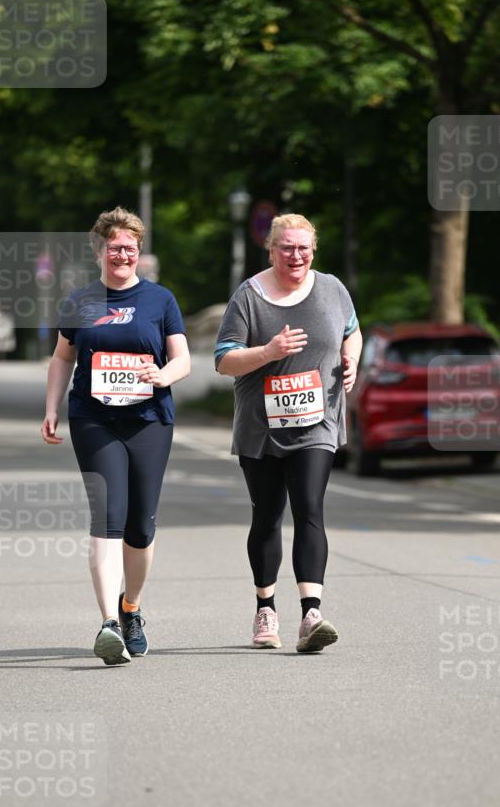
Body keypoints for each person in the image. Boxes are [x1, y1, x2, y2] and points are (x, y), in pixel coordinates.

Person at [41, 206, 190, 665]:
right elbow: (63, 357)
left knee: (140, 526)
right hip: (94, 418)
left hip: (148, 420)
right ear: (100, 252)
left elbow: (182, 358)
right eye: (114, 247)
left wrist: (163, 377)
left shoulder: (160, 300)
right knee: (107, 516)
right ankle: (108, 624)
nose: (122, 254)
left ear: (139, 252)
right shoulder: (80, 300)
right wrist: (51, 408)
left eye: (129, 247)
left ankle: (131, 608)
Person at [215, 213, 362, 652]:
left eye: (302, 248)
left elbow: (353, 332)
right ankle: (266, 609)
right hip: (262, 427)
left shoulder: (332, 290)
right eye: (286, 248)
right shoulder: (250, 296)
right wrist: (268, 351)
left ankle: (311, 613)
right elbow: (224, 359)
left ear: (312, 249)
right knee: (267, 517)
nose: (295, 255)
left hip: (316, 422)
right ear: (271, 248)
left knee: (309, 509)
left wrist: (351, 358)